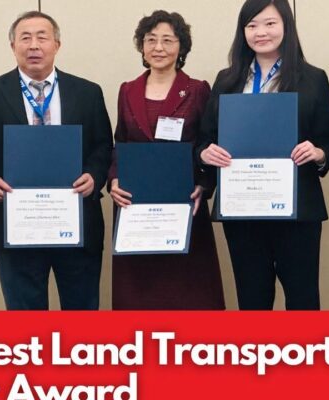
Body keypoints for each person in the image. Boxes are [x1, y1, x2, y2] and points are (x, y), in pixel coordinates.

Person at [196, 0, 329, 310]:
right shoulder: (227, 80)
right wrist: (206, 153)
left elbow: (327, 141)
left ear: (286, 26)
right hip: (242, 207)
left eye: (270, 23)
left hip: (297, 209)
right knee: (252, 300)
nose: (261, 32)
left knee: (303, 300)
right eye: (252, 25)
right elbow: (205, 138)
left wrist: (317, 152)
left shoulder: (313, 78)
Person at [0, 11, 113, 310]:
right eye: (25, 38)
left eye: (42, 37)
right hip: (16, 223)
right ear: (12, 45)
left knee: (81, 314)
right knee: (26, 319)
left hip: (76, 221)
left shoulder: (87, 92)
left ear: (57, 44)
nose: (34, 45)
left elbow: (103, 146)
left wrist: (94, 176)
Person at [108, 10, 225, 310]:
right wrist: (114, 179)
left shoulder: (197, 90)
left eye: (168, 40)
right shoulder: (127, 90)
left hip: (183, 203)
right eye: (151, 40)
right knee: (139, 296)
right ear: (142, 46)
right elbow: (120, 142)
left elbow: (208, 142)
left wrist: (204, 185)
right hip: (135, 206)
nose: (158, 48)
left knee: (187, 293)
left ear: (181, 47)